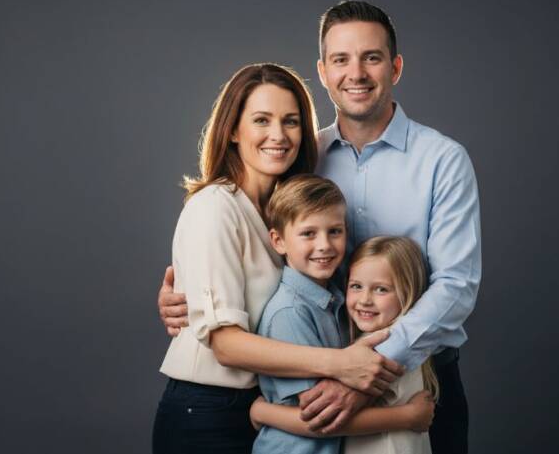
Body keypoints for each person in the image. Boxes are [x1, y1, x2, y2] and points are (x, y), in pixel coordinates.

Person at [158, 1, 482, 453]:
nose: (357, 73)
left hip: (418, 373)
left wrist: (368, 368)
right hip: (313, 384)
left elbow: (456, 286)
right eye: (340, 60)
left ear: (396, 66)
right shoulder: (301, 160)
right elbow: (265, 250)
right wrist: (189, 295)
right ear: (324, 72)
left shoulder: (442, 161)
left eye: (371, 57)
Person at [152, 63, 404, 454]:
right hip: (207, 413)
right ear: (233, 130)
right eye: (261, 120)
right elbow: (226, 346)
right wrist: (340, 364)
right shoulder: (215, 208)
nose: (278, 135)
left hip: (266, 408)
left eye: (291, 122)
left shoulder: (293, 214)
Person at [252, 176, 435, 454]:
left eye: (335, 231)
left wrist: (261, 411)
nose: (324, 244)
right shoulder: (290, 312)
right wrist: (408, 418)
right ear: (278, 241)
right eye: (308, 234)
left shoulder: (340, 300)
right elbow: (321, 414)